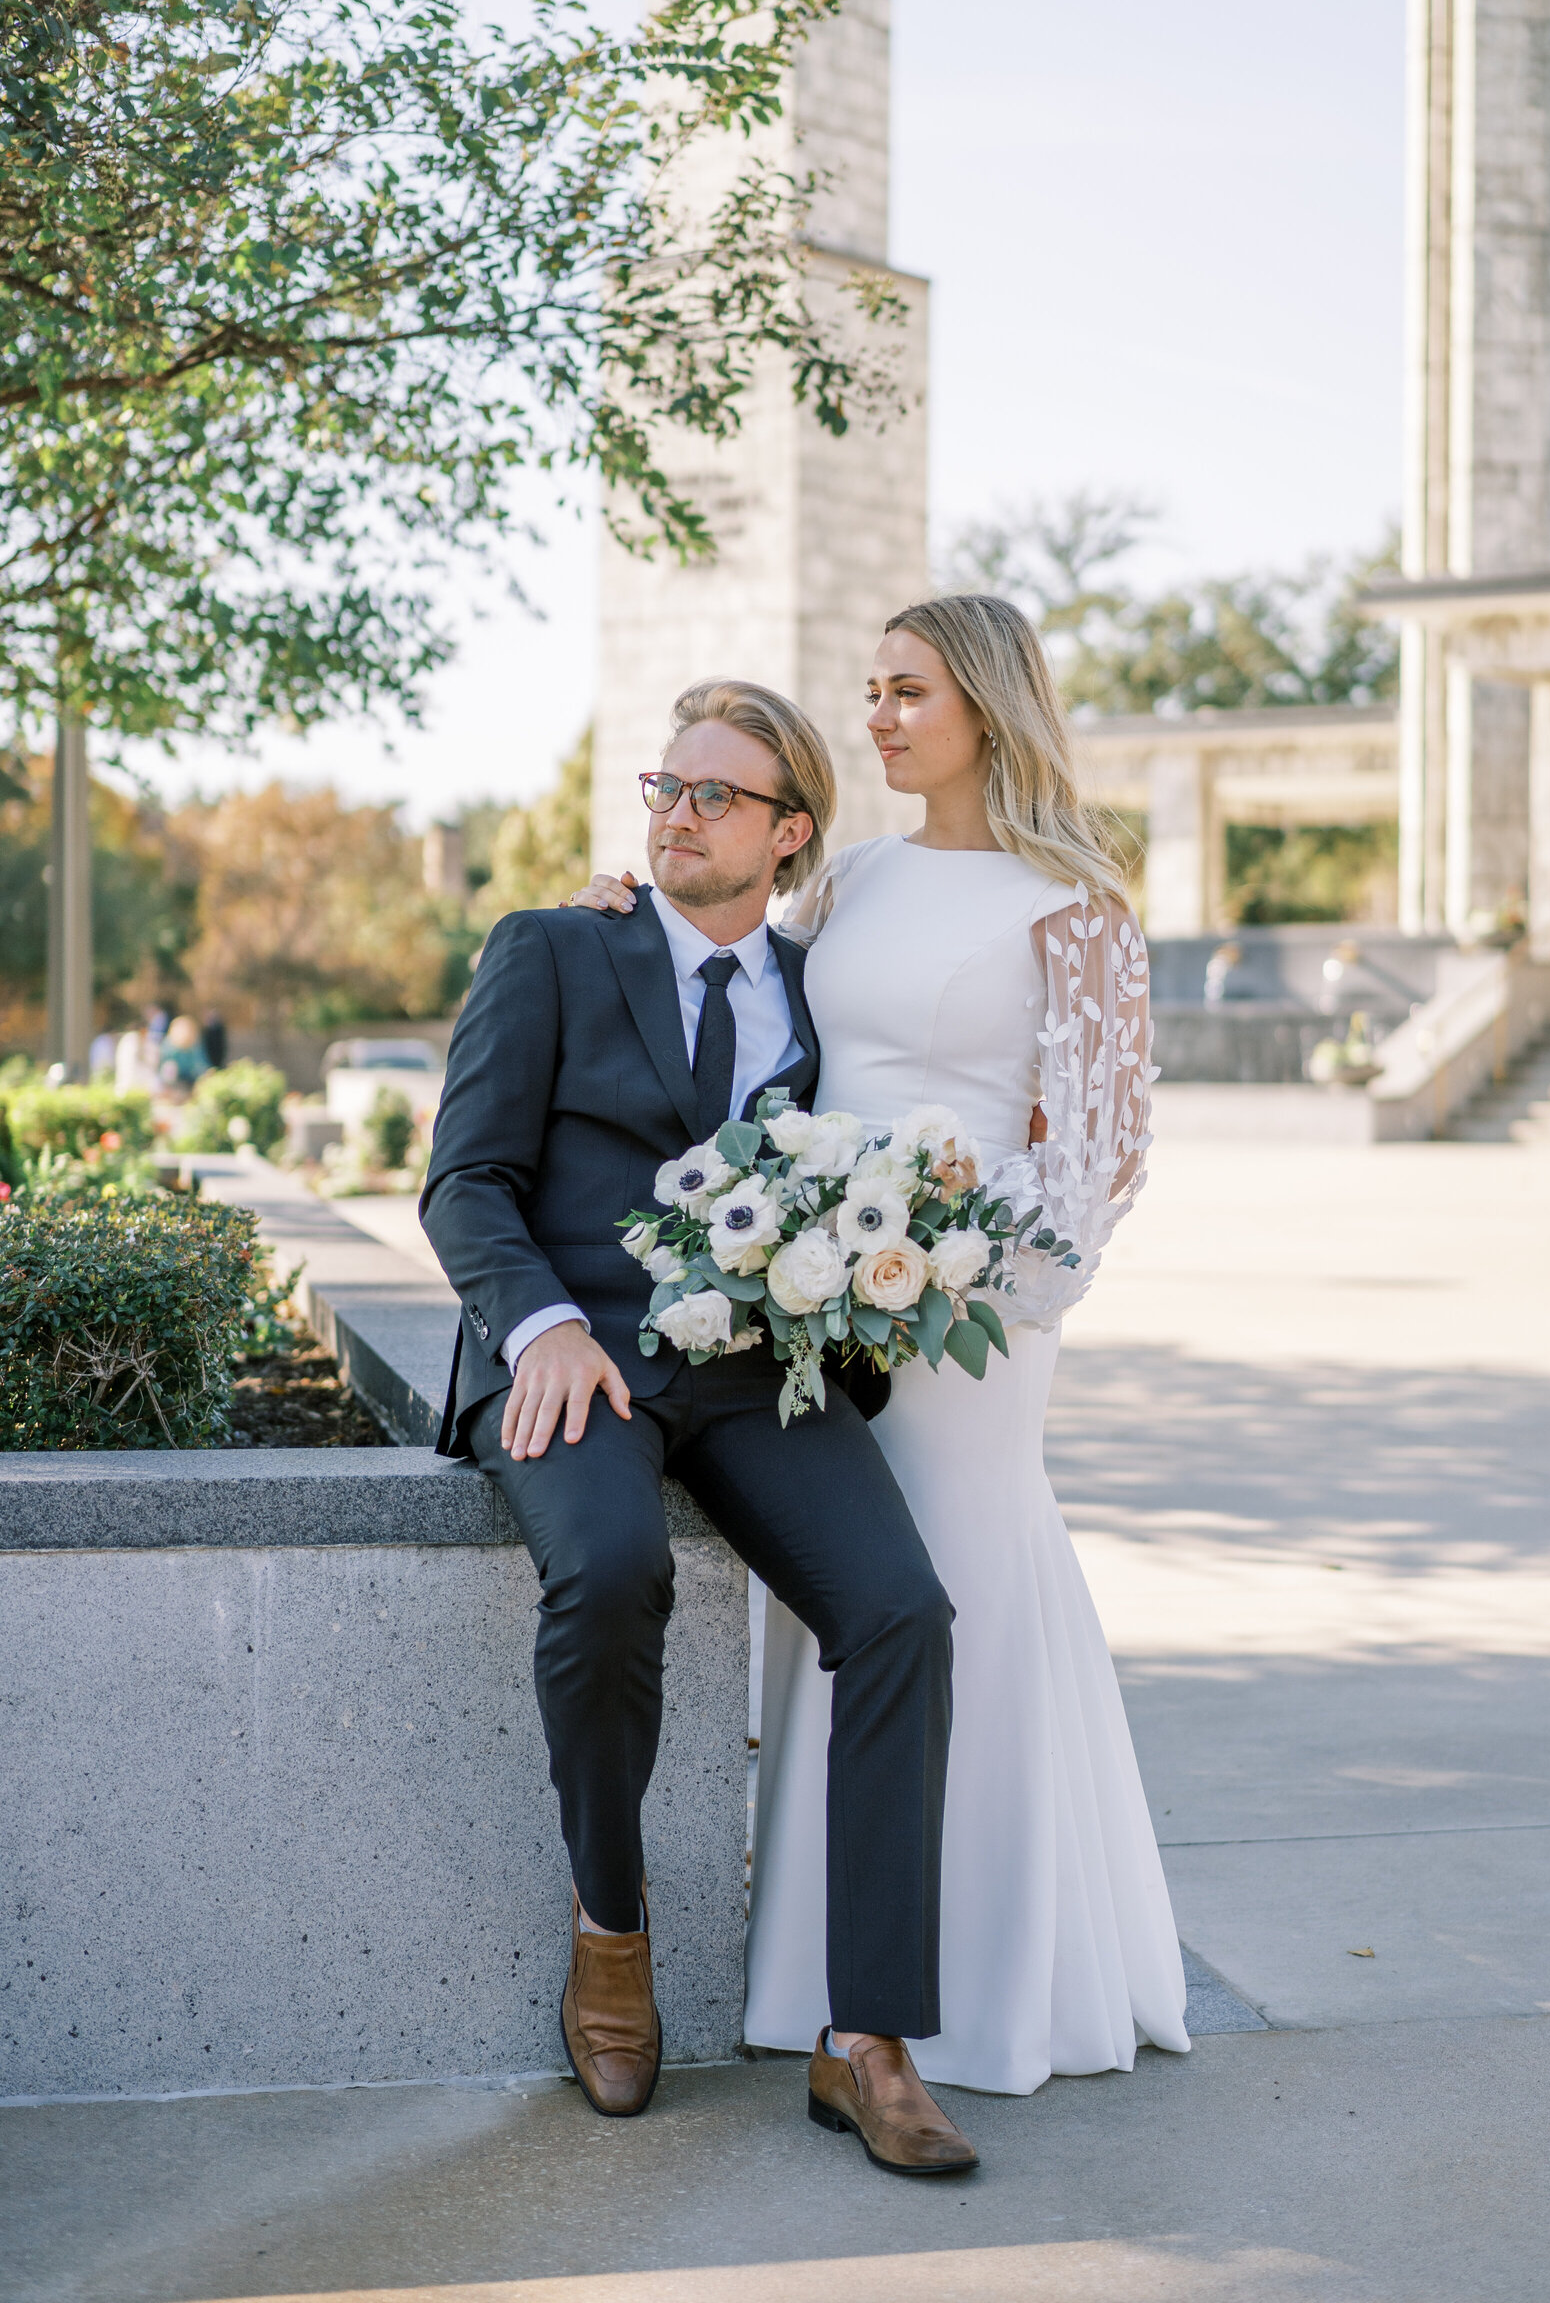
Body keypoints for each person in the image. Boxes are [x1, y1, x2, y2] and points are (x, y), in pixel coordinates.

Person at [571, 597, 1191, 2096]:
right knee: (852, 1614)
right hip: (811, 1307)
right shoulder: (847, 882)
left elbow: (1097, 1158)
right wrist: (620, 916)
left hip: (975, 1311)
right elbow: (740, 998)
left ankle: (994, 1984)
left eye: (910, 691)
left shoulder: (1077, 904)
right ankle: (832, 1987)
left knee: (962, 1585)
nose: (884, 718)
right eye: (874, 692)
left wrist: (968, 1283)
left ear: (986, 701)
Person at [420, 681, 977, 2173]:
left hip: (747, 1366)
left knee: (904, 1612)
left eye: (714, 797)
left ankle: (867, 2037)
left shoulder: (819, 992)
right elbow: (463, 1180)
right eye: (665, 787)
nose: (674, 814)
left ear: (789, 834)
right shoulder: (551, 946)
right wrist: (533, 1325)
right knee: (610, 1576)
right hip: (572, 1355)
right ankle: (614, 1929)